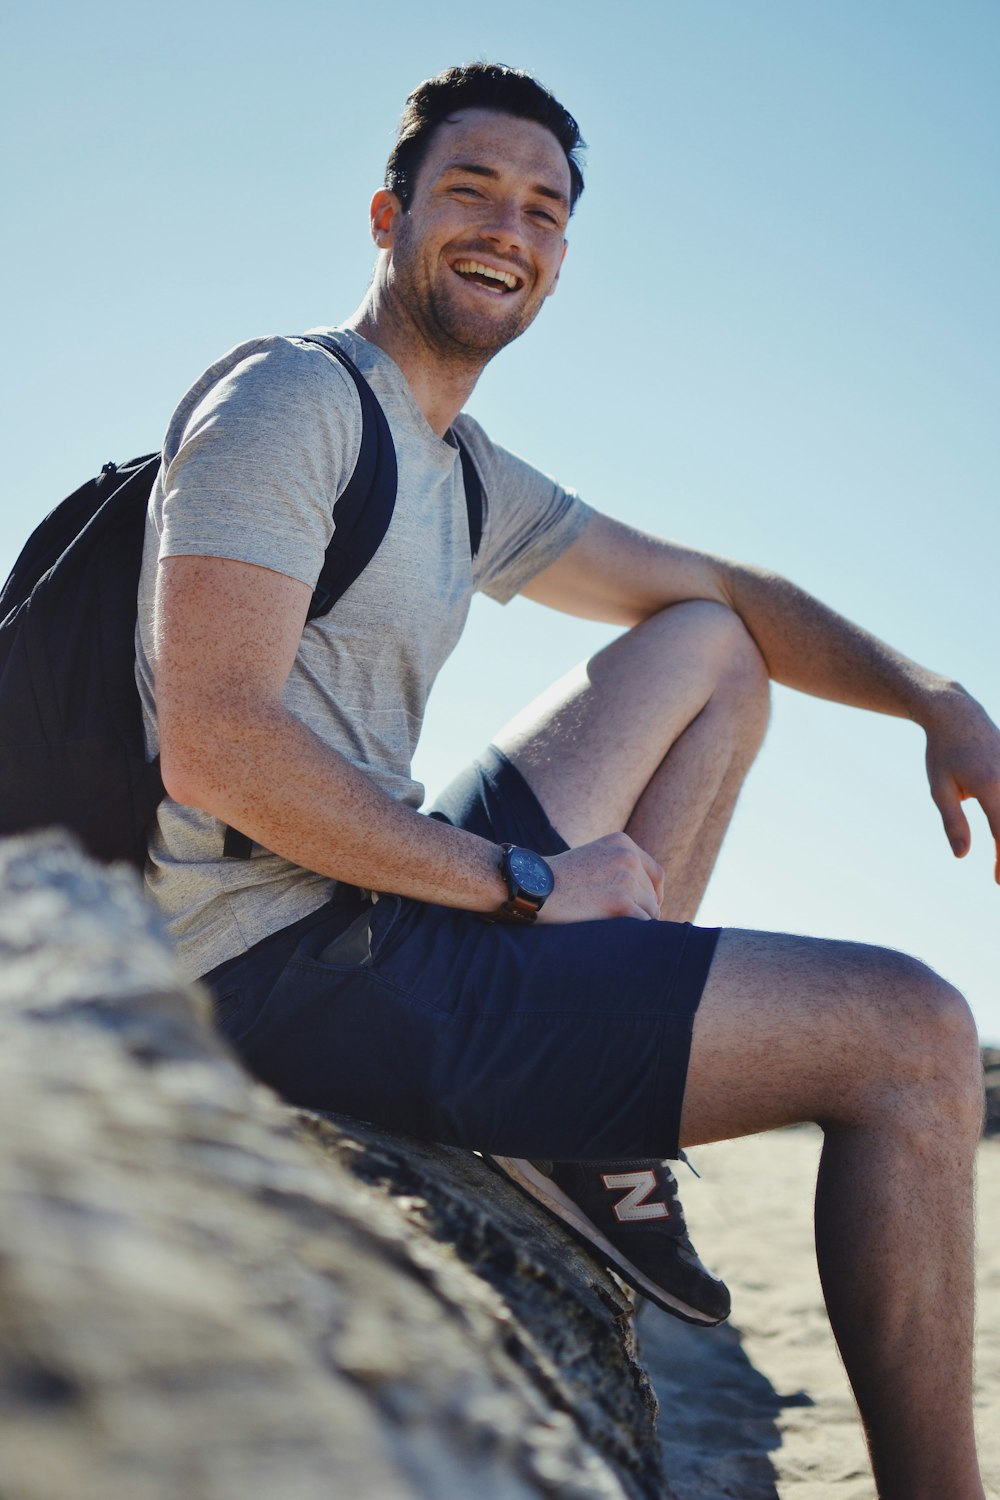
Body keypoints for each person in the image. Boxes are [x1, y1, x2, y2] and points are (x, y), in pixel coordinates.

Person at [137, 62, 996, 1498]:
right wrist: (527, 883)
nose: (507, 228)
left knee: (712, 644)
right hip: (261, 958)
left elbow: (720, 586)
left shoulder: (457, 465)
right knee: (915, 1035)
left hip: (373, 898)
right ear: (388, 216)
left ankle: (599, 1138)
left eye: (542, 208)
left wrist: (928, 695)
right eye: (470, 190)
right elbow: (216, 746)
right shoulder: (292, 402)